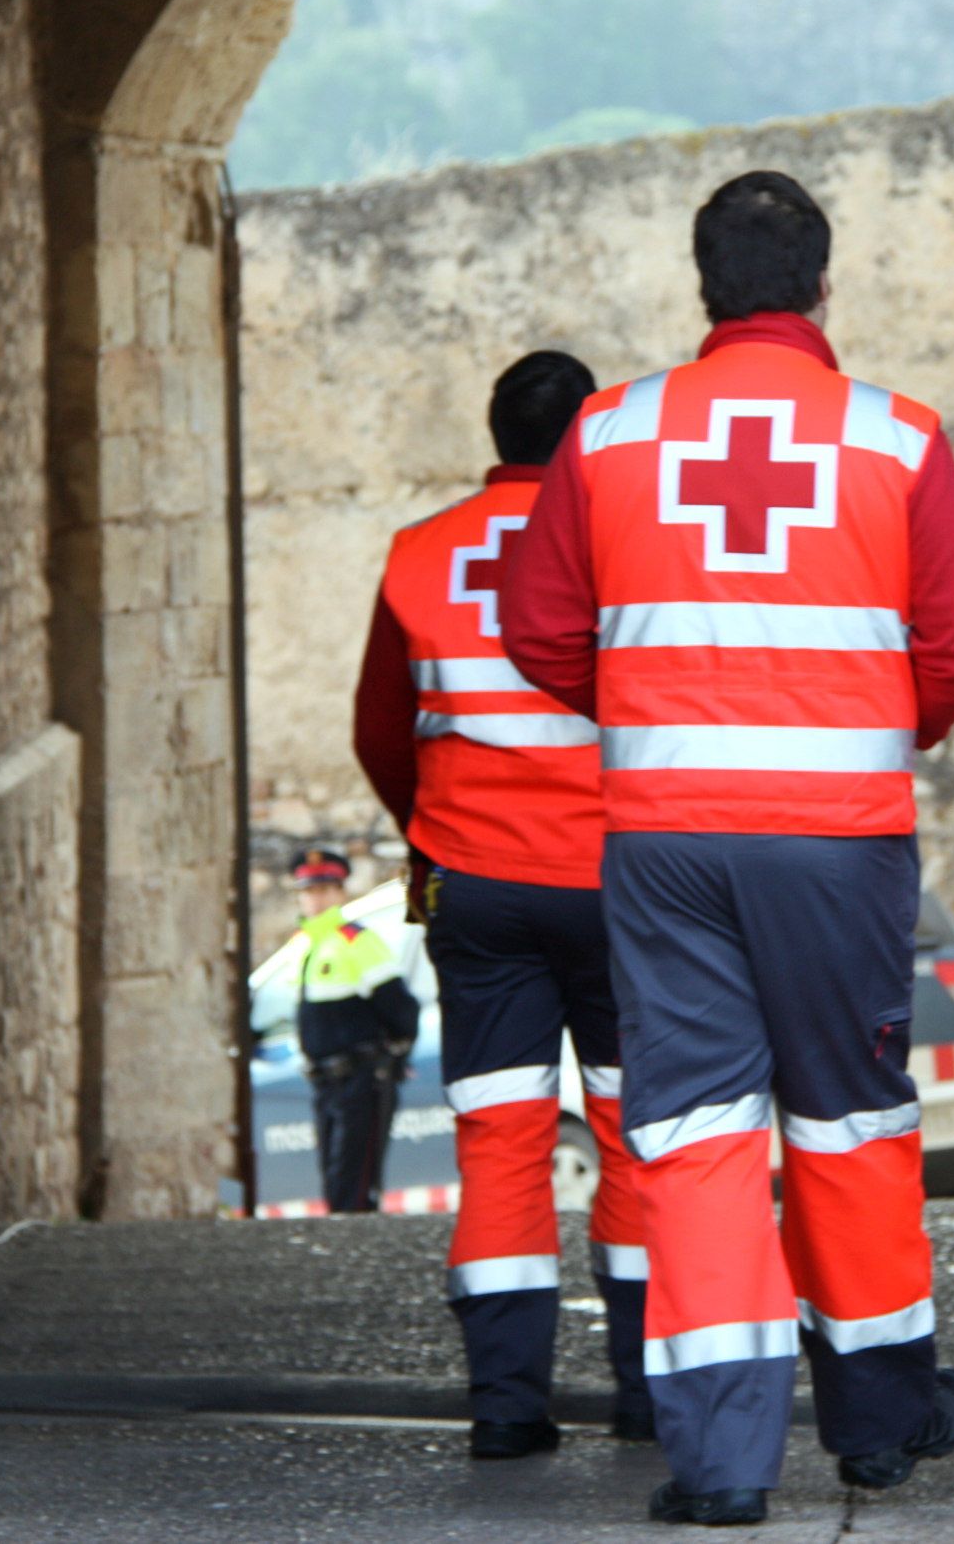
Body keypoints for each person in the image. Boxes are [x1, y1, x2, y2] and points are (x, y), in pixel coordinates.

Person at [501, 171, 954, 1527]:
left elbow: (540, 626)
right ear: (823, 285)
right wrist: (885, 726)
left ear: (703, 281)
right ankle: (883, 1419)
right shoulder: (895, 437)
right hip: (839, 841)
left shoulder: (612, 431)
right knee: (850, 1116)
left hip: (667, 836)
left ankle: (722, 1460)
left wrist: (658, 703)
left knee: (696, 1128)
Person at [351, 350, 652, 1459]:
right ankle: (646, 1394)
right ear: (585, 442)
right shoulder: (627, 547)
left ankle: (506, 1408)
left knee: (500, 1134)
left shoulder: (419, 555)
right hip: (616, 883)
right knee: (636, 1131)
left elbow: (380, 735)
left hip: (471, 882)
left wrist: (433, 832)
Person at [278, 847, 420, 1216]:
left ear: (341, 893)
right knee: (334, 1179)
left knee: (353, 1186)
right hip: (326, 1082)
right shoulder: (304, 945)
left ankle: (356, 1264)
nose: (317, 899)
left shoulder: (357, 940)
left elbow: (401, 1008)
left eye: (326, 890)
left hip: (360, 1077)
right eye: (309, 891)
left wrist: (395, 1058)